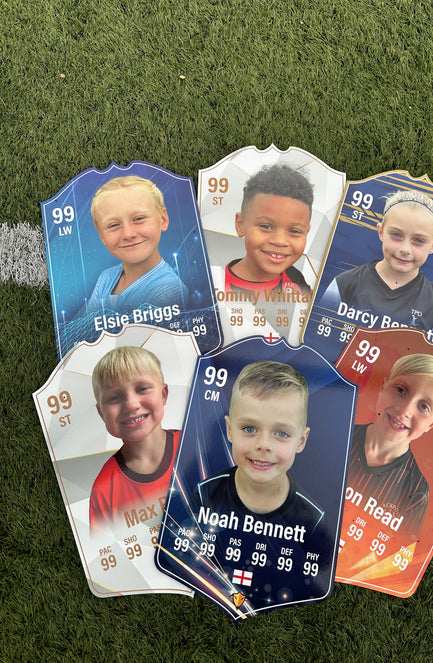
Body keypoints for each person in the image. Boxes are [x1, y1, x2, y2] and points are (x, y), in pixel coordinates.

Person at [337, 354, 433, 578]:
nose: (405, 410)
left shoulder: (416, 490)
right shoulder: (336, 433)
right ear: (382, 389)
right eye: (400, 390)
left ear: (432, 425)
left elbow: (393, 560)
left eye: (424, 406)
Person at [189, 361, 324, 535]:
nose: (264, 445)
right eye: (249, 429)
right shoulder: (205, 494)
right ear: (229, 430)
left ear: (301, 441)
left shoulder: (313, 520)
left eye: (281, 433)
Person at [321, 190, 433, 351]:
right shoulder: (344, 284)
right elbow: (318, 338)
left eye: (419, 240)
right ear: (381, 232)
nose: (405, 249)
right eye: (396, 235)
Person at [89, 346, 178, 532]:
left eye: (142, 389)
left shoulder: (197, 444)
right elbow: (104, 547)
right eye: (114, 397)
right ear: (101, 413)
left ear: (163, 394)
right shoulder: (103, 489)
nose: (131, 405)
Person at [85, 175, 189, 315]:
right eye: (113, 225)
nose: (128, 234)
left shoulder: (171, 290)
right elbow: (87, 324)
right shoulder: (106, 277)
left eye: (139, 219)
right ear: (101, 235)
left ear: (163, 219)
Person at [225, 165, 313, 296]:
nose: (280, 241)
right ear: (240, 225)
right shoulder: (214, 284)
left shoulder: (294, 277)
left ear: (306, 232)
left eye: (295, 231)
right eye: (266, 227)